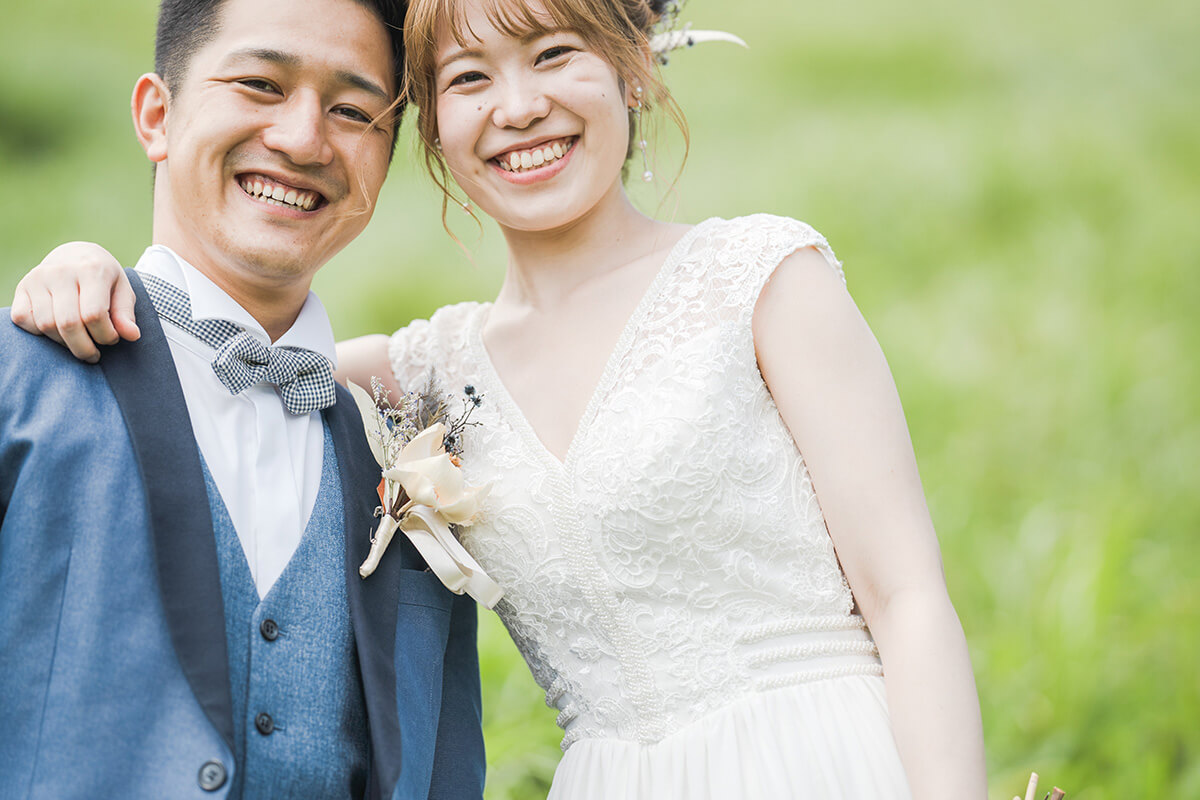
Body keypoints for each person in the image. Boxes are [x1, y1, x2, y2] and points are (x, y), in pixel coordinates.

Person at [11, 0, 988, 797]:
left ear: (633, 68)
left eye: (555, 54)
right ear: (431, 127)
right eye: (469, 78)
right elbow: (220, 353)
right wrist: (84, 266)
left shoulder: (763, 278)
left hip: (832, 756)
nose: (518, 107)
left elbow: (908, 597)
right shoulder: (423, 372)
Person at [0, 0, 485, 798]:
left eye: (353, 110)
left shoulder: (411, 446)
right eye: (261, 84)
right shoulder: (25, 378)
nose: (303, 139)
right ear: (157, 115)